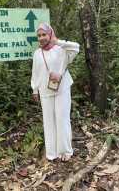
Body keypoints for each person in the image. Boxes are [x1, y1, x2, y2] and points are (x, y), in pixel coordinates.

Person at [31, 23, 80, 162]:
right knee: (48, 121)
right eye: (39, 36)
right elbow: (35, 72)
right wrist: (35, 89)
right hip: (45, 91)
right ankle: (51, 152)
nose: (41, 38)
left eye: (44, 34)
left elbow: (76, 47)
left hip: (62, 89)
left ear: (50, 34)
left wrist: (57, 42)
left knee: (62, 119)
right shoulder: (37, 53)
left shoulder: (61, 49)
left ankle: (65, 151)